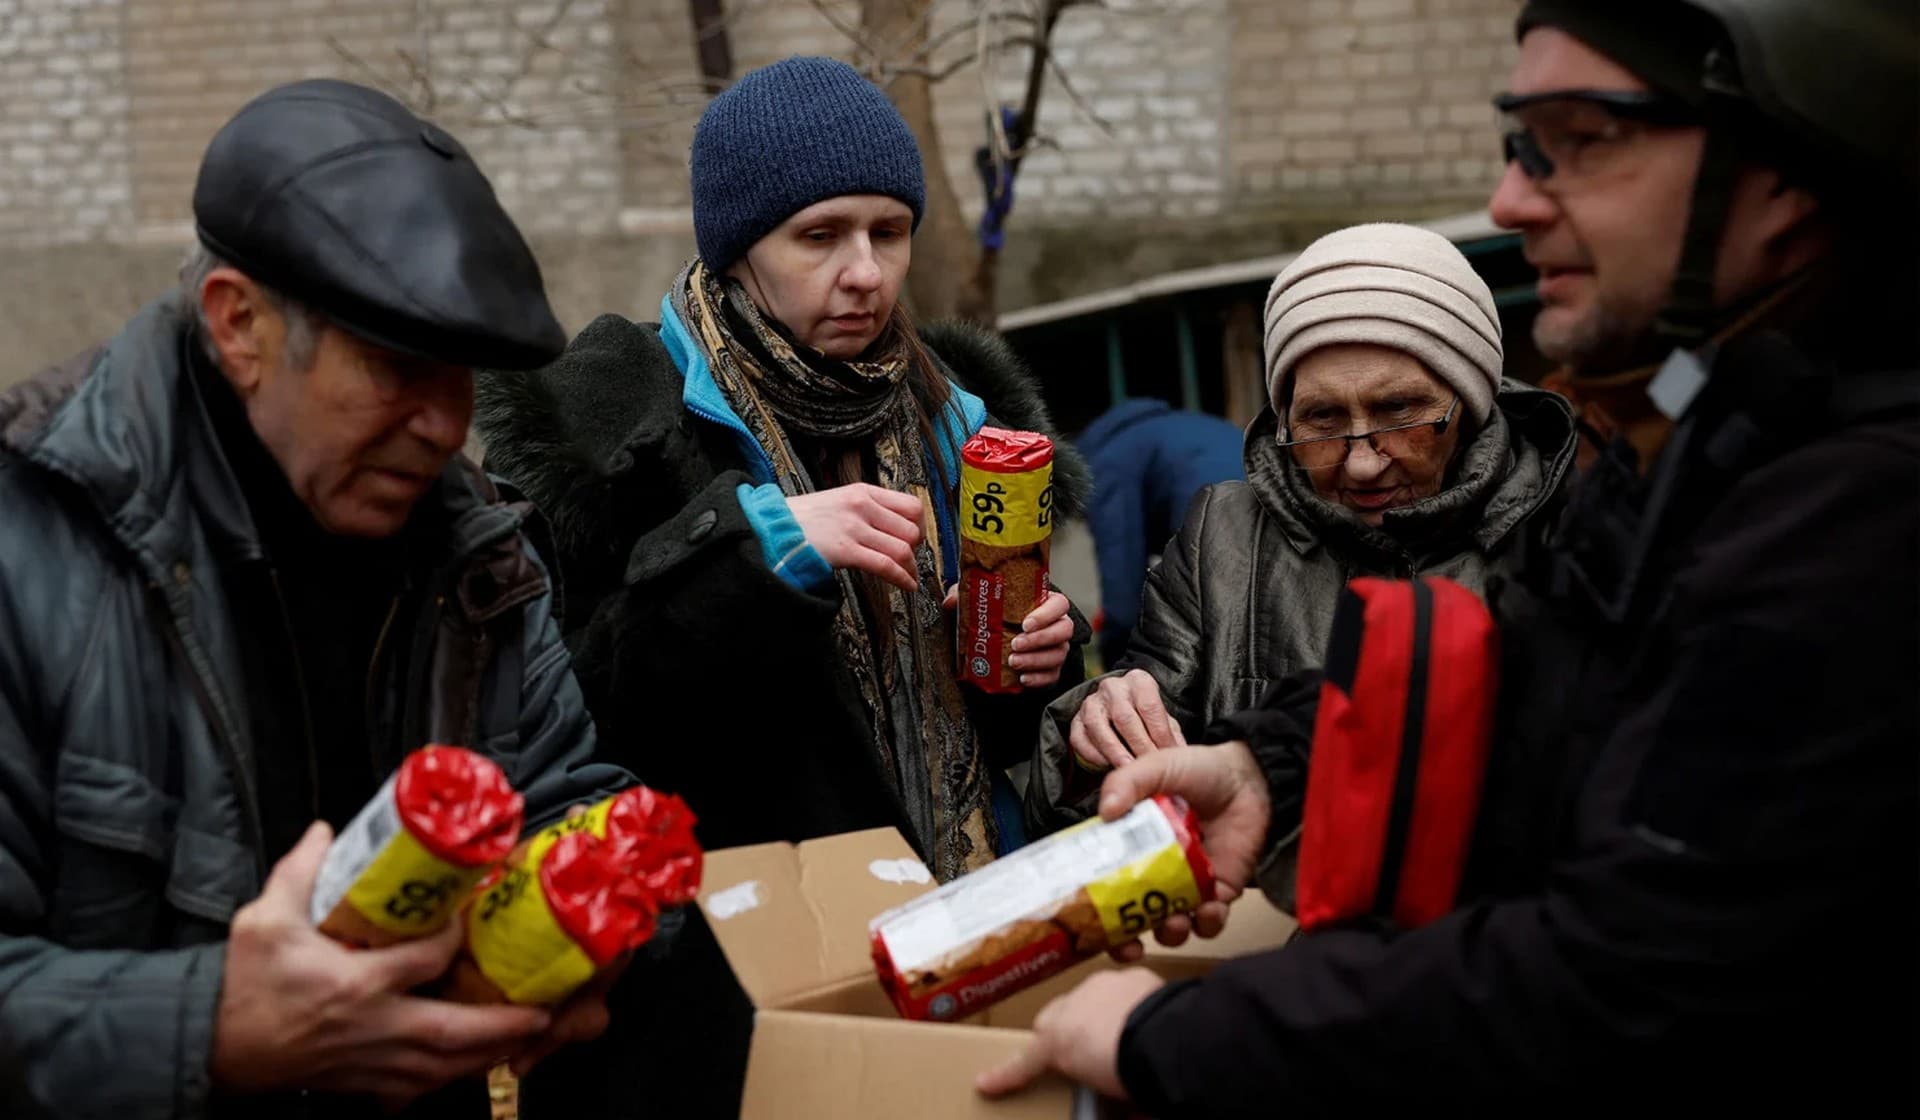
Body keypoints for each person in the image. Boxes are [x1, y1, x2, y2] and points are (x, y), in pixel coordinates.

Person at [977, 0, 1920, 1112]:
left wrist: (1175, 1035)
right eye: (1522, 142)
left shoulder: (1859, 520)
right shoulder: (1717, 439)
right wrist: (1268, 766)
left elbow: (1629, 978)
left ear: (1790, 174)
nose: (1515, 196)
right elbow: (1524, 659)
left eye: (1584, 139)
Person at [0, 80, 630, 1120]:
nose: (442, 425)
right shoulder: (30, 543)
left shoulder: (479, 552)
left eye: (461, 374)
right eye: (394, 365)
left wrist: (598, 930)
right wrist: (209, 1026)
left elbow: (560, 795)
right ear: (238, 324)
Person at [472, 57, 1090, 1117]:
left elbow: (998, 732)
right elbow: (574, 717)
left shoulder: (961, 423)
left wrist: (1039, 662)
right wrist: (753, 556)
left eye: (888, 233)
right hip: (723, 995)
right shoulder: (608, 428)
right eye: (820, 236)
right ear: (738, 244)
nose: (865, 273)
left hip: (953, 946)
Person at [1026, 223, 1576, 842]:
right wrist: (1095, 735)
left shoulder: (1567, 529)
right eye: (1322, 418)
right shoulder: (1220, 541)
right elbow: (1127, 760)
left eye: (1400, 412)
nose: (1363, 460)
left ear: (1469, 405)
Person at [1074, 398, 1245, 669]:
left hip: (1212, 509)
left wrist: (1116, 664)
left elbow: (1122, 575)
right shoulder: (1165, 429)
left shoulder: (1106, 464)